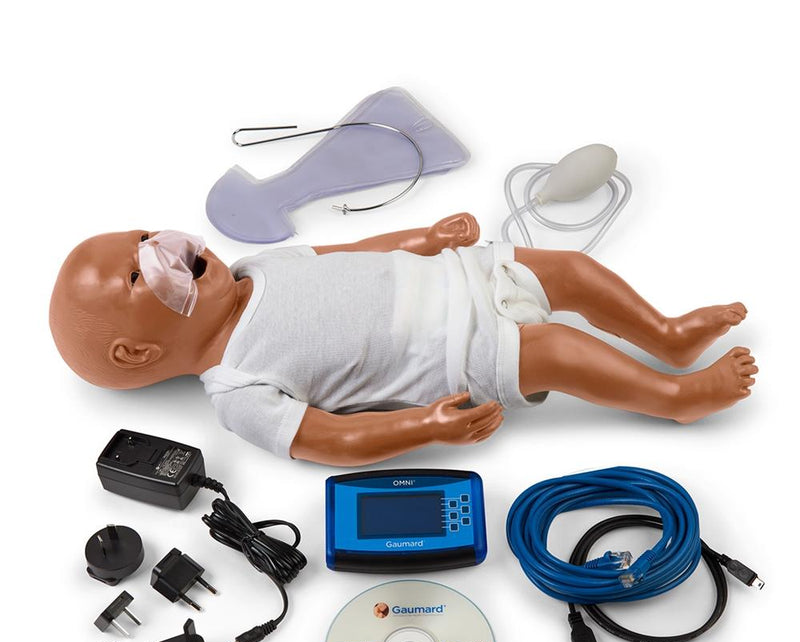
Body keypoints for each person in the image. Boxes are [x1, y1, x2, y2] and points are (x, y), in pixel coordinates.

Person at [49, 213, 756, 466]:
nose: (164, 248)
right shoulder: (238, 391)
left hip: (462, 272)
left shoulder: (256, 266)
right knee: (559, 353)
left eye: (146, 235)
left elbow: (354, 250)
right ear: (137, 353)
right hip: (459, 351)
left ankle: (665, 335)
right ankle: (675, 397)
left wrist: (423, 238)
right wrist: (423, 427)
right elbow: (331, 441)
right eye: (138, 273)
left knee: (571, 270)